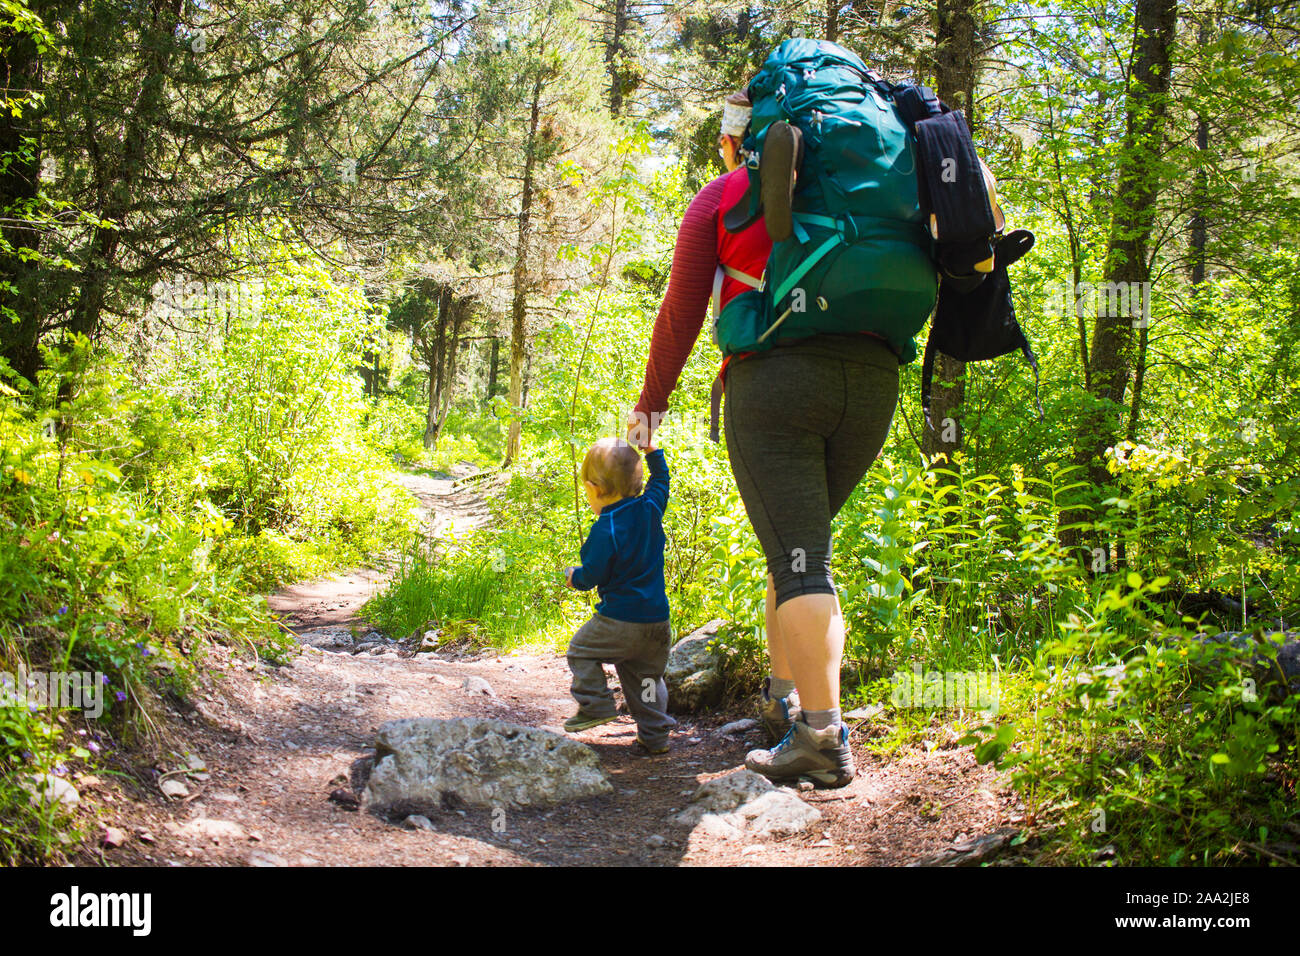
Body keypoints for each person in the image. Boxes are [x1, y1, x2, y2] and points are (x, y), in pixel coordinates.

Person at [628, 92, 900, 789]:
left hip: (776, 386)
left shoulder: (725, 194)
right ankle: (784, 706)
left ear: (733, 144)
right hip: (872, 385)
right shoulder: (867, 196)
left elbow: (681, 311)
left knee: (804, 564)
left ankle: (822, 736)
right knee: (797, 547)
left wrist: (649, 410)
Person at [562, 436, 675, 755]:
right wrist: (653, 452)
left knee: (580, 650)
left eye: (587, 492)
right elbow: (662, 480)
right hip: (657, 621)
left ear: (595, 488)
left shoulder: (606, 528)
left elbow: (593, 575)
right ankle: (655, 736)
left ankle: (596, 704)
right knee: (648, 679)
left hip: (620, 621)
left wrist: (575, 577)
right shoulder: (651, 507)